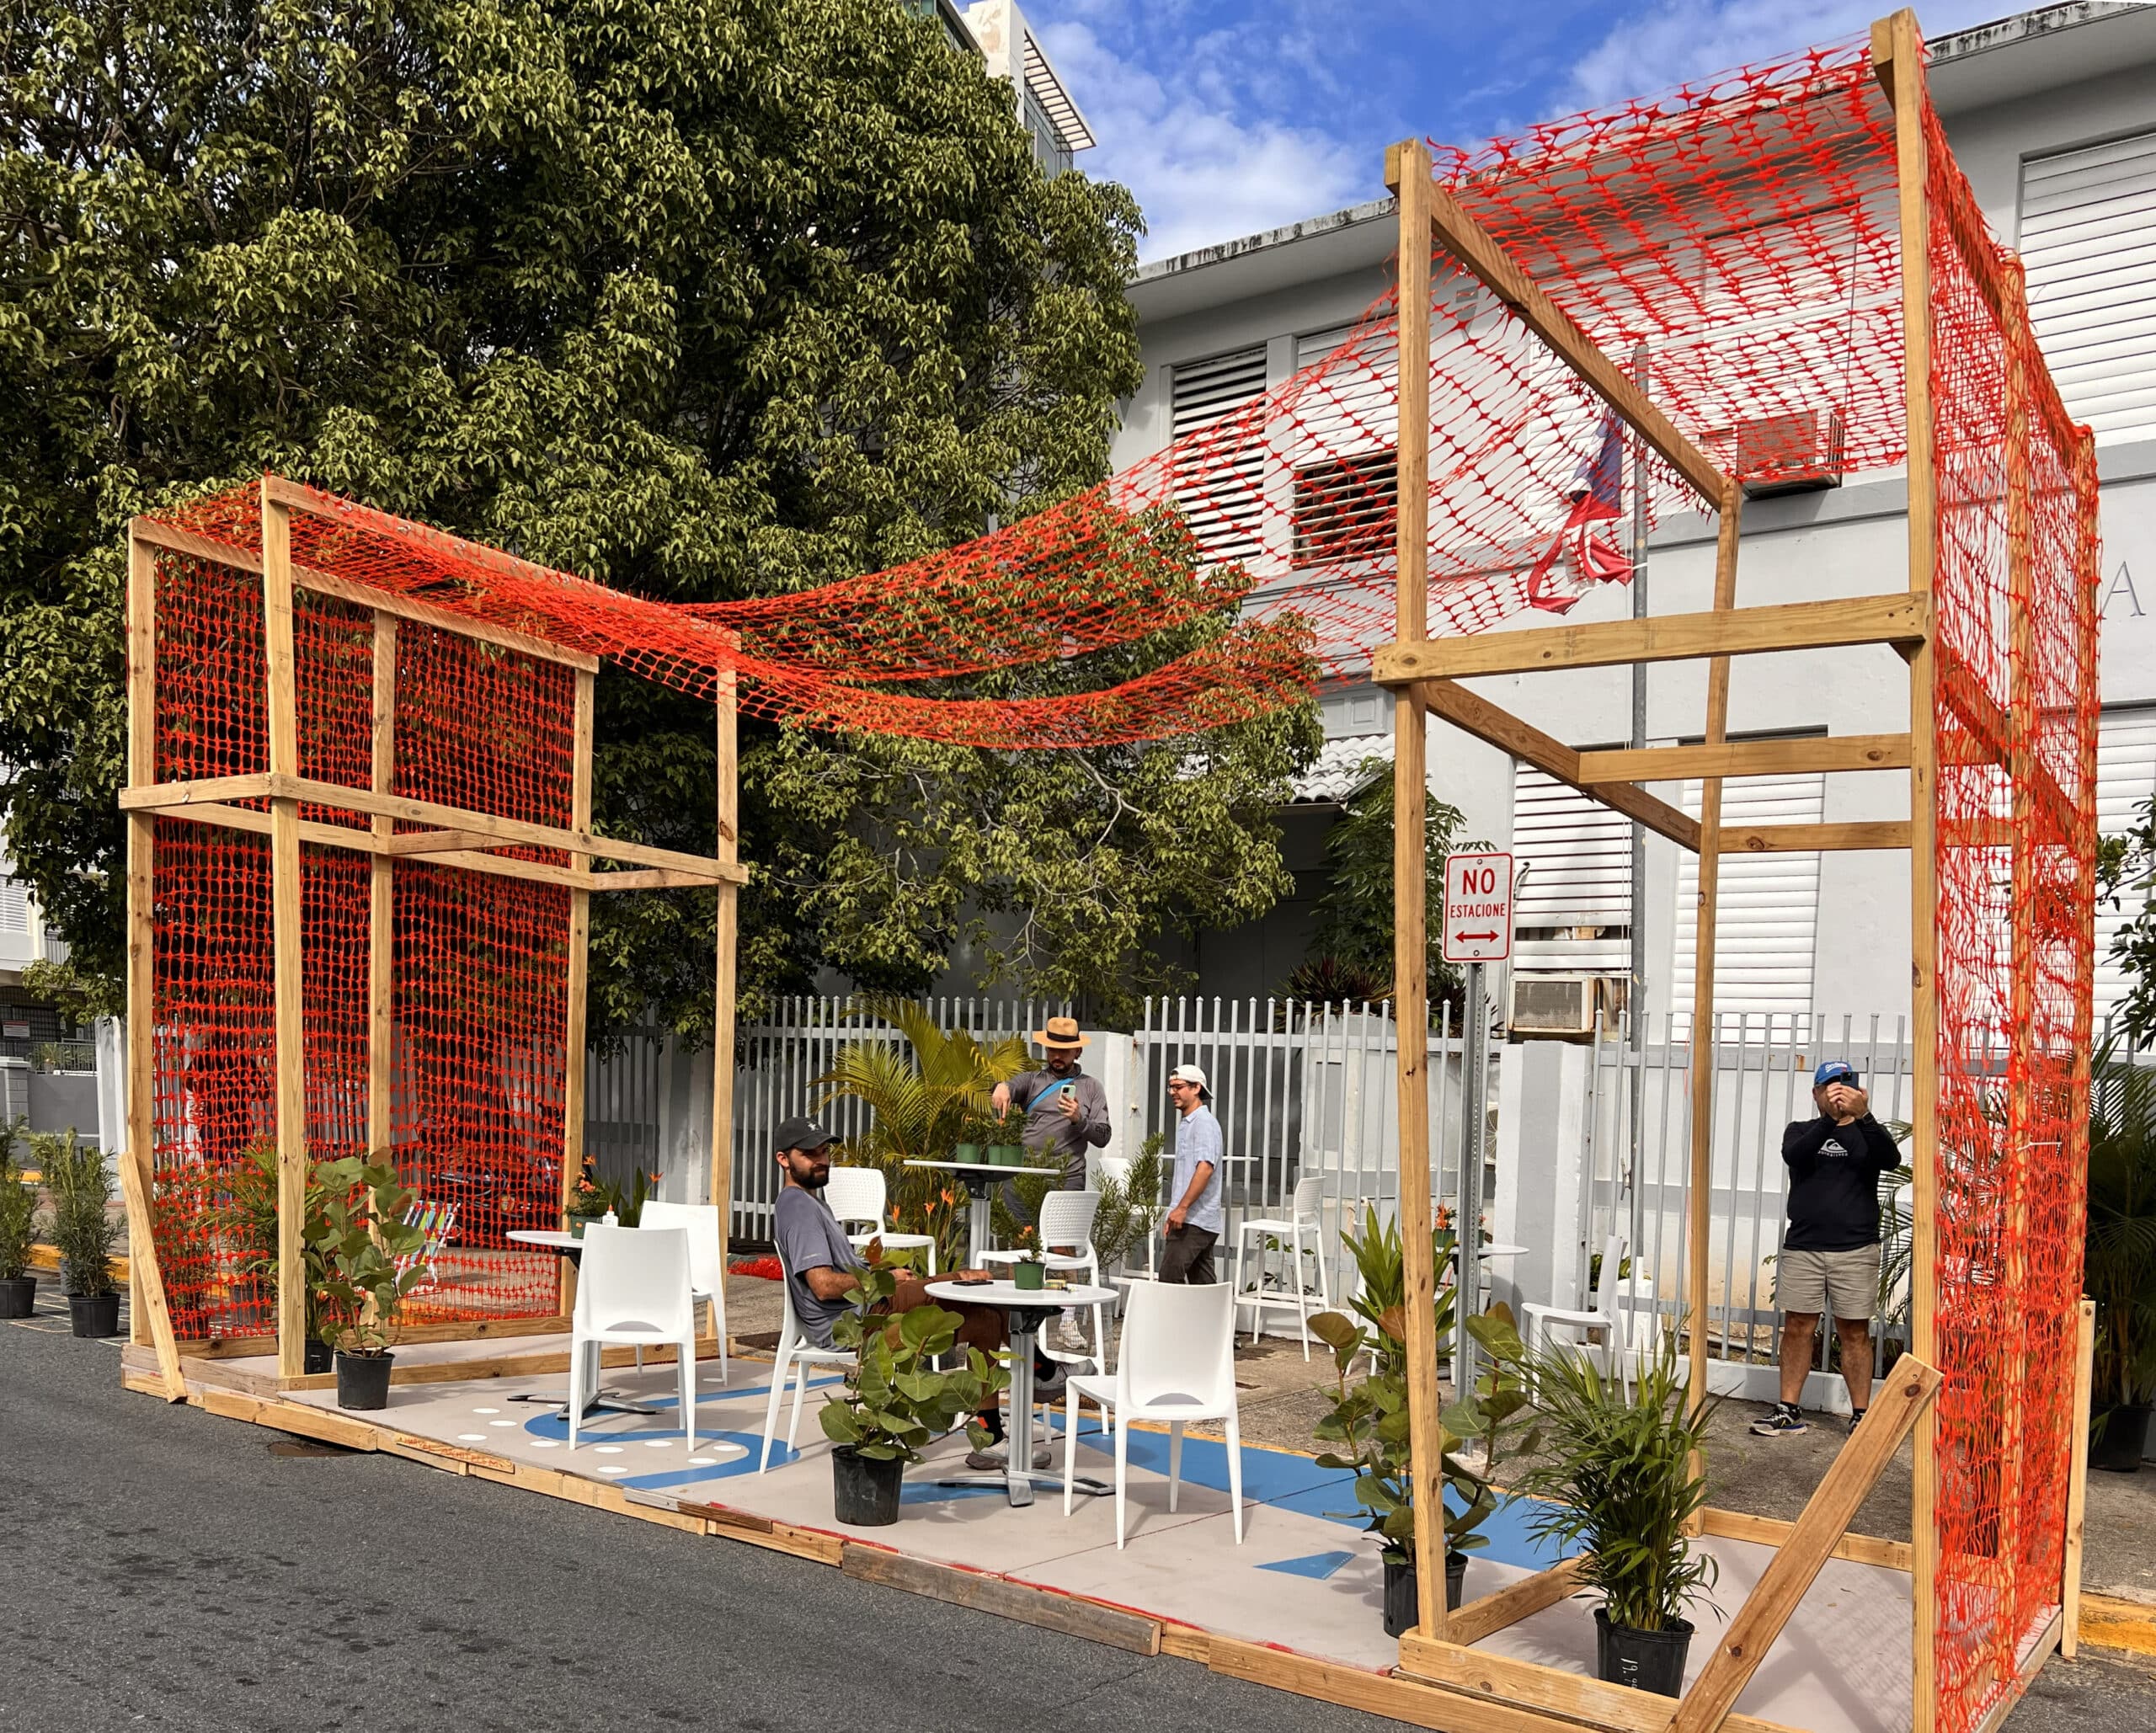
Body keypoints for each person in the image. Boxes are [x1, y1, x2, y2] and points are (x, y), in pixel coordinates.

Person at [767, 1115, 1075, 1469]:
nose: (821, 1160)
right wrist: (883, 1280)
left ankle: (993, 1434)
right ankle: (1044, 1372)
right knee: (969, 1283)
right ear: (783, 1159)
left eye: (824, 1151)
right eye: (809, 1154)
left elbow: (841, 1271)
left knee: (985, 1316)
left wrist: (884, 1273)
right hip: (857, 1322)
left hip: (871, 1304)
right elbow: (823, 1286)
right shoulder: (797, 1206)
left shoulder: (812, 1202)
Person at [1751, 1061, 1902, 1439]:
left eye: (1844, 1085)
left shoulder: (1868, 1133)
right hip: (1804, 1247)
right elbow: (1795, 1155)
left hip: (1856, 1249)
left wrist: (1863, 1116)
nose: (1837, 1092)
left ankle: (1861, 1415)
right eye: (1829, 1086)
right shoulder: (1800, 1130)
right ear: (1816, 1093)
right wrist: (1830, 1120)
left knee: (1855, 1331)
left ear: (1859, 1092)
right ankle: (1788, 1410)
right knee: (1798, 1327)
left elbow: (1891, 1160)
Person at [992, 1016, 1113, 1349]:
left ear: (1077, 1051)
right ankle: (1016, 1322)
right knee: (1022, 1245)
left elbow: (1103, 1136)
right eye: (1052, 1049)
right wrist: (1001, 1088)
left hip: (1066, 1179)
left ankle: (1068, 1321)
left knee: (1063, 1248)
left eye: (1064, 1050)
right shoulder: (1033, 1080)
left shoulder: (1091, 1088)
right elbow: (1009, 1087)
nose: (1057, 1055)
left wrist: (1078, 1118)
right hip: (1023, 1178)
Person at [1159, 1064, 1224, 1285]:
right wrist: (1175, 1210)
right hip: (1195, 1219)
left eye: (1178, 1087)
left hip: (1193, 1220)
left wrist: (1182, 1209)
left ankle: (1181, 1313)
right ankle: (1214, 1310)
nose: (1172, 1092)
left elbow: (1205, 1168)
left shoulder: (1203, 1123)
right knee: (1203, 1285)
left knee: (1169, 1279)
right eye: (1170, 1087)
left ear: (1196, 1088)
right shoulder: (1191, 1122)